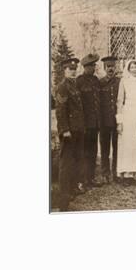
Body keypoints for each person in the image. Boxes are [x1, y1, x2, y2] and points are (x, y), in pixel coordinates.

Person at [54, 58, 85, 209]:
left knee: (75, 160)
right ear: (64, 71)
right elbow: (60, 111)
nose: (73, 71)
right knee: (66, 163)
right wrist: (65, 129)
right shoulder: (62, 87)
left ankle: (72, 188)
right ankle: (64, 193)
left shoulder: (75, 85)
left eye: (74, 69)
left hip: (77, 129)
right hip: (68, 131)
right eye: (69, 69)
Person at [116, 59, 136, 184]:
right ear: (128, 69)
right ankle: (127, 173)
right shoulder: (124, 81)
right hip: (127, 113)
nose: (134, 69)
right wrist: (120, 121)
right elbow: (119, 101)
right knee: (127, 143)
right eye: (132, 67)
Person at [76, 53, 102, 188]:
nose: (93, 68)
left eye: (94, 65)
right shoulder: (79, 81)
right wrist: (82, 123)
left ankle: (91, 178)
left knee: (92, 151)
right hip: (85, 124)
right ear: (85, 67)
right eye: (91, 66)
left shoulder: (96, 80)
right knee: (84, 152)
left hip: (95, 123)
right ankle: (83, 179)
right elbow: (78, 105)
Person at [99, 56, 121, 183]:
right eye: (108, 67)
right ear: (104, 68)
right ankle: (105, 173)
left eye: (112, 66)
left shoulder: (120, 82)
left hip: (116, 120)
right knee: (105, 147)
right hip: (104, 121)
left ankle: (116, 173)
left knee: (117, 147)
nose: (110, 69)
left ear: (115, 67)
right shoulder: (100, 83)